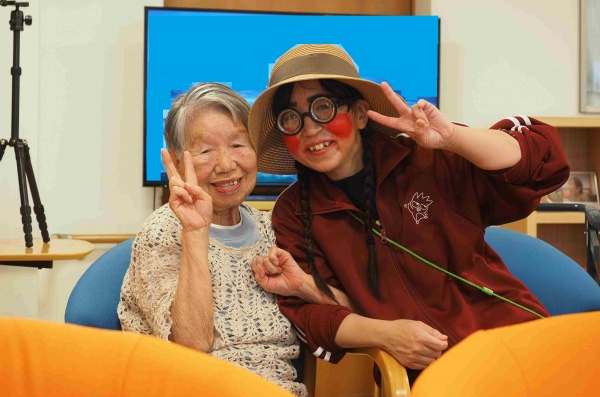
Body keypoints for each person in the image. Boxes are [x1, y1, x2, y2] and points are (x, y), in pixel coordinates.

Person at [247, 44, 570, 381]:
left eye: (323, 107)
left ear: (360, 114)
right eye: (291, 117)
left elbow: (544, 164)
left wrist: (453, 138)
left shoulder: (425, 158)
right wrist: (385, 334)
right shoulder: (293, 213)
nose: (310, 128)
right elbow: (315, 317)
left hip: (516, 342)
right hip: (430, 375)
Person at [118, 82, 349, 397]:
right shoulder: (163, 231)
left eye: (239, 144)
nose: (226, 164)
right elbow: (191, 346)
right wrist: (195, 233)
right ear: (176, 161)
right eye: (205, 151)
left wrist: (302, 285)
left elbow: (355, 310)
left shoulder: (276, 227)